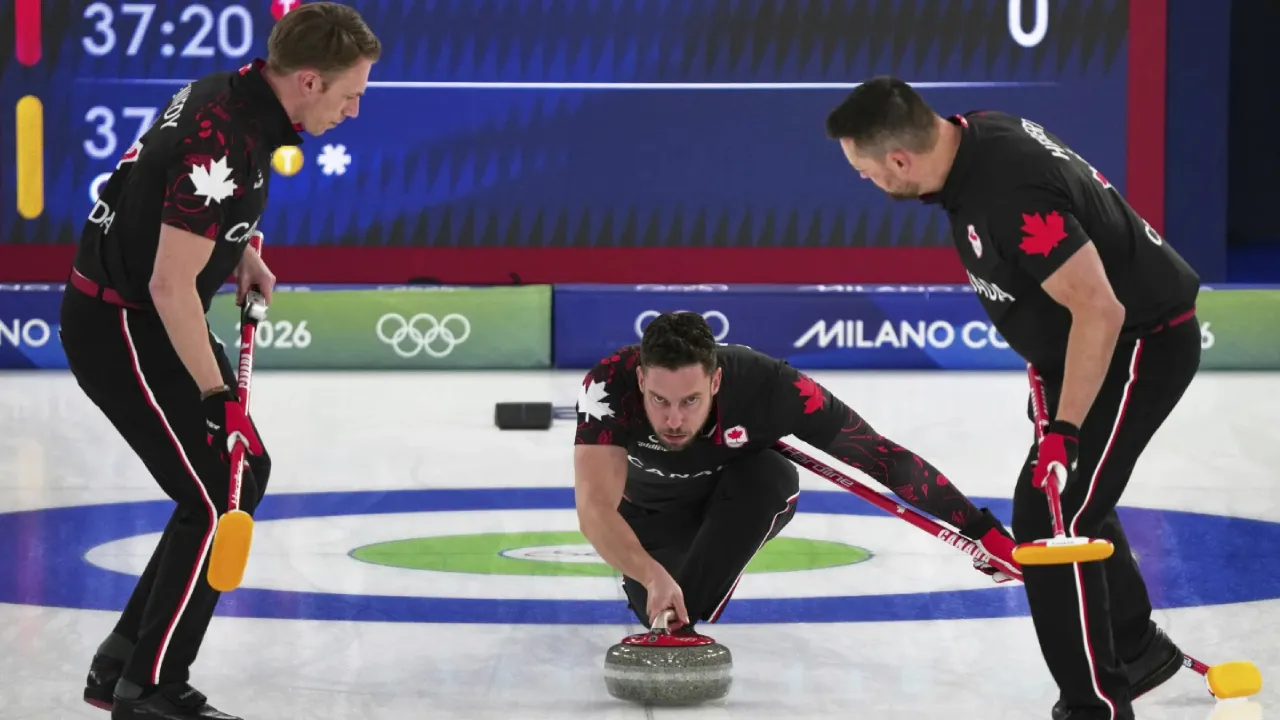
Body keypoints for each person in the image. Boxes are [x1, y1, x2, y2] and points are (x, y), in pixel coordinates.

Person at [823, 76, 1201, 720]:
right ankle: (1135, 651)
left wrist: (1066, 428)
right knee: (1074, 495)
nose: (867, 181)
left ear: (899, 160)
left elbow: (1100, 310)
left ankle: (1093, 707)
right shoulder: (976, 134)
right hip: (1083, 349)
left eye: (865, 171)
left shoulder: (1009, 193)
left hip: (1136, 349)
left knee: (1052, 515)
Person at [61, 4, 380, 718]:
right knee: (218, 495)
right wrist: (215, 398)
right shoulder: (224, 135)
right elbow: (169, 283)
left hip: (145, 316)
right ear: (306, 80)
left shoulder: (240, 97)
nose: (355, 109)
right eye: (349, 93)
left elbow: (179, 202)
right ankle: (150, 690)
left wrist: (241, 250)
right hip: (124, 325)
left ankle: (121, 662)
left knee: (240, 476)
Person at [572, 311, 1020, 640]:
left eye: (689, 401)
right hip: (646, 518)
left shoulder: (771, 388)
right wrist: (651, 576)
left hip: (727, 505)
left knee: (772, 475)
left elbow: (881, 457)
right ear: (641, 380)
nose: (672, 419)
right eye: (658, 400)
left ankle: (683, 620)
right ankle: (672, 589)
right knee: (653, 589)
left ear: (714, 382)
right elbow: (595, 510)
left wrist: (979, 528)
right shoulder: (608, 387)